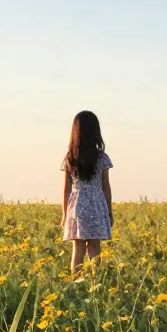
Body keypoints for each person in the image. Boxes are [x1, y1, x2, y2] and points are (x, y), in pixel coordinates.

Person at [61, 110, 114, 274]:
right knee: (94, 247)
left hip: (77, 205)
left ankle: (75, 282)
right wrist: (109, 212)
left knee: (78, 249)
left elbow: (66, 189)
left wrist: (65, 214)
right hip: (96, 204)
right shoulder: (102, 158)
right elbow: (106, 186)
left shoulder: (70, 158)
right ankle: (95, 282)